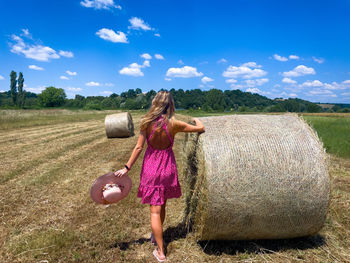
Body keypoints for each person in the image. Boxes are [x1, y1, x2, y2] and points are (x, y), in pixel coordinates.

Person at [114, 91, 205, 262]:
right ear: (170, 105)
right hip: (167, 168)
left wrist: (127, 167)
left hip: (151, 168)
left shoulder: (146, 123)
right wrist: (197, 120)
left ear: (155, 103)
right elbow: (200, 129)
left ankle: (160, 251)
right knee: (161, 205)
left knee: (154, 210)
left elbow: (139, 148)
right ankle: (157, 235)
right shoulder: (174, 123)